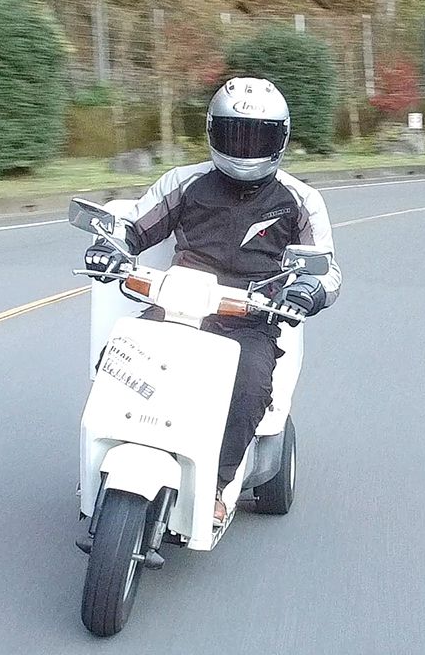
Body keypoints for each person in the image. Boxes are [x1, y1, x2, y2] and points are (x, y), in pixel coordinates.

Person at [82, 77, 341, 526]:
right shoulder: (184, 183)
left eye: (257, 136)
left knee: (252, 386)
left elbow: (328, 270)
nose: (244, 148)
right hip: (178, 306)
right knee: (116, 359)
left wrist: (307, 289)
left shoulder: (300, 200)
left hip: (252, 315)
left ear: (279, 138)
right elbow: (134, 226)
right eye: (233, 134)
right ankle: (116, 451)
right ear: (212, 133)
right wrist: (113, 245)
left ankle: (218, 485)